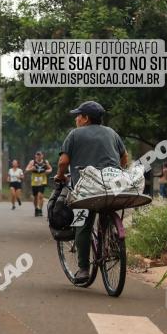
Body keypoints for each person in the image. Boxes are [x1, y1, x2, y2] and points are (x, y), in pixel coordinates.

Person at [54, 101, 129, 283]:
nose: (76, 118)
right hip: (112, 187)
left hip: (86, 191)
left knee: (82, 224)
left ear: (86, 118)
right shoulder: (112, 133)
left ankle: (83, 269)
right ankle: (110, 238)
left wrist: (59, 176)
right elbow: (124, 157)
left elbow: (63, 162)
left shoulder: (74, 134)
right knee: (106, 210)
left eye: (78, 115)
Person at [26, 151, 52, 216]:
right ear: (35, 156)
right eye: (37, 155)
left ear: (42, 156)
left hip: (42, 181)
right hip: (34, 182)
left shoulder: (45, 162)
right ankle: (36, 209)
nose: (38, 156)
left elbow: (50, 169)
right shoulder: (32, 162)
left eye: (40, 155)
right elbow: (26, 170)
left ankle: (40, 209)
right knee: (35, 197)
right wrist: (31, 169)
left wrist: (47, 171)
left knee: (40, 195)